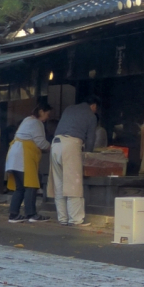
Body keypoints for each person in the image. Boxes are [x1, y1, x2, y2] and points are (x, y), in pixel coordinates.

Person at [48, 97, 99, 226]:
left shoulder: (69, 108)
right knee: (73, 184)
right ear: (93, 106)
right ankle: (75, 219)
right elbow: (91, 139)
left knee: (59, 184)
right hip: (70, 145)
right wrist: (88, 155)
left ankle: (63, 218)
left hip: (55, 144)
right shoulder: (91, 116)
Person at [6, 105, 51, 223]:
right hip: (23, 156)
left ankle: (13, 215)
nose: (47, 118)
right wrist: (52, 147)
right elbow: (40, 142)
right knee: (31, 186)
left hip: (14, 156)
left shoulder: (27, 120)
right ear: (41, 111)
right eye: (47, 114)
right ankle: (31, 214)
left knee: (20, 188)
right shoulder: (36, 123)